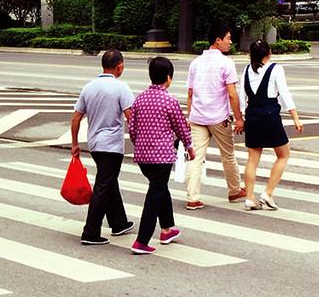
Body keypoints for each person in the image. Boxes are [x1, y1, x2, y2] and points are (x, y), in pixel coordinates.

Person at [128, 57, 196, 254]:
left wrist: (142, 144)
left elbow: (132, 130)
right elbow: (181, 128)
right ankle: (142, 241)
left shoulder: (139, 99)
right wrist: (190, 147)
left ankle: (167, 229)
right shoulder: (169, 101)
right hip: (162, 157)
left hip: (142, 156)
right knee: (154, 194)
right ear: (169, 78)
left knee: (159, 187)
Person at [71, 49, 135, 245]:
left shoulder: (89, 87)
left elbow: (76, 118)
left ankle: (119, 223)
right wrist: (138, 140)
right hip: (112, 145)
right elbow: (130, 117)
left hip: (95, 145)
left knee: (109, 182)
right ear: (119, 66)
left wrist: (75, 144)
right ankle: (90, 232)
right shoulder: (121, 87)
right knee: (103, 186)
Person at [184, 23, 246, 210]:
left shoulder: (195, 63)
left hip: (197, 117)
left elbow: (190, 93)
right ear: (218, 41)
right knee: (228, 155)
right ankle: (234, 190)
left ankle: (192, 197)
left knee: (195, 157)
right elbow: (232, 94)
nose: (230, 41)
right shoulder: (226, 63)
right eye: (228, 38)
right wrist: (239, 118)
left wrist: (189, 116)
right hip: (219, 117)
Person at [240, 39, 303, 211]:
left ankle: (249, 198)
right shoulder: (276, 69)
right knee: (283, 154)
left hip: (252, 115)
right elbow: (284, 94)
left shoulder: (246, 70)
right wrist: (296, 117)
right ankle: (268, 193)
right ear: (269, 52)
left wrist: (240, 119)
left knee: (252, 157)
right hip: (269, 115)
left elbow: (241, 98)